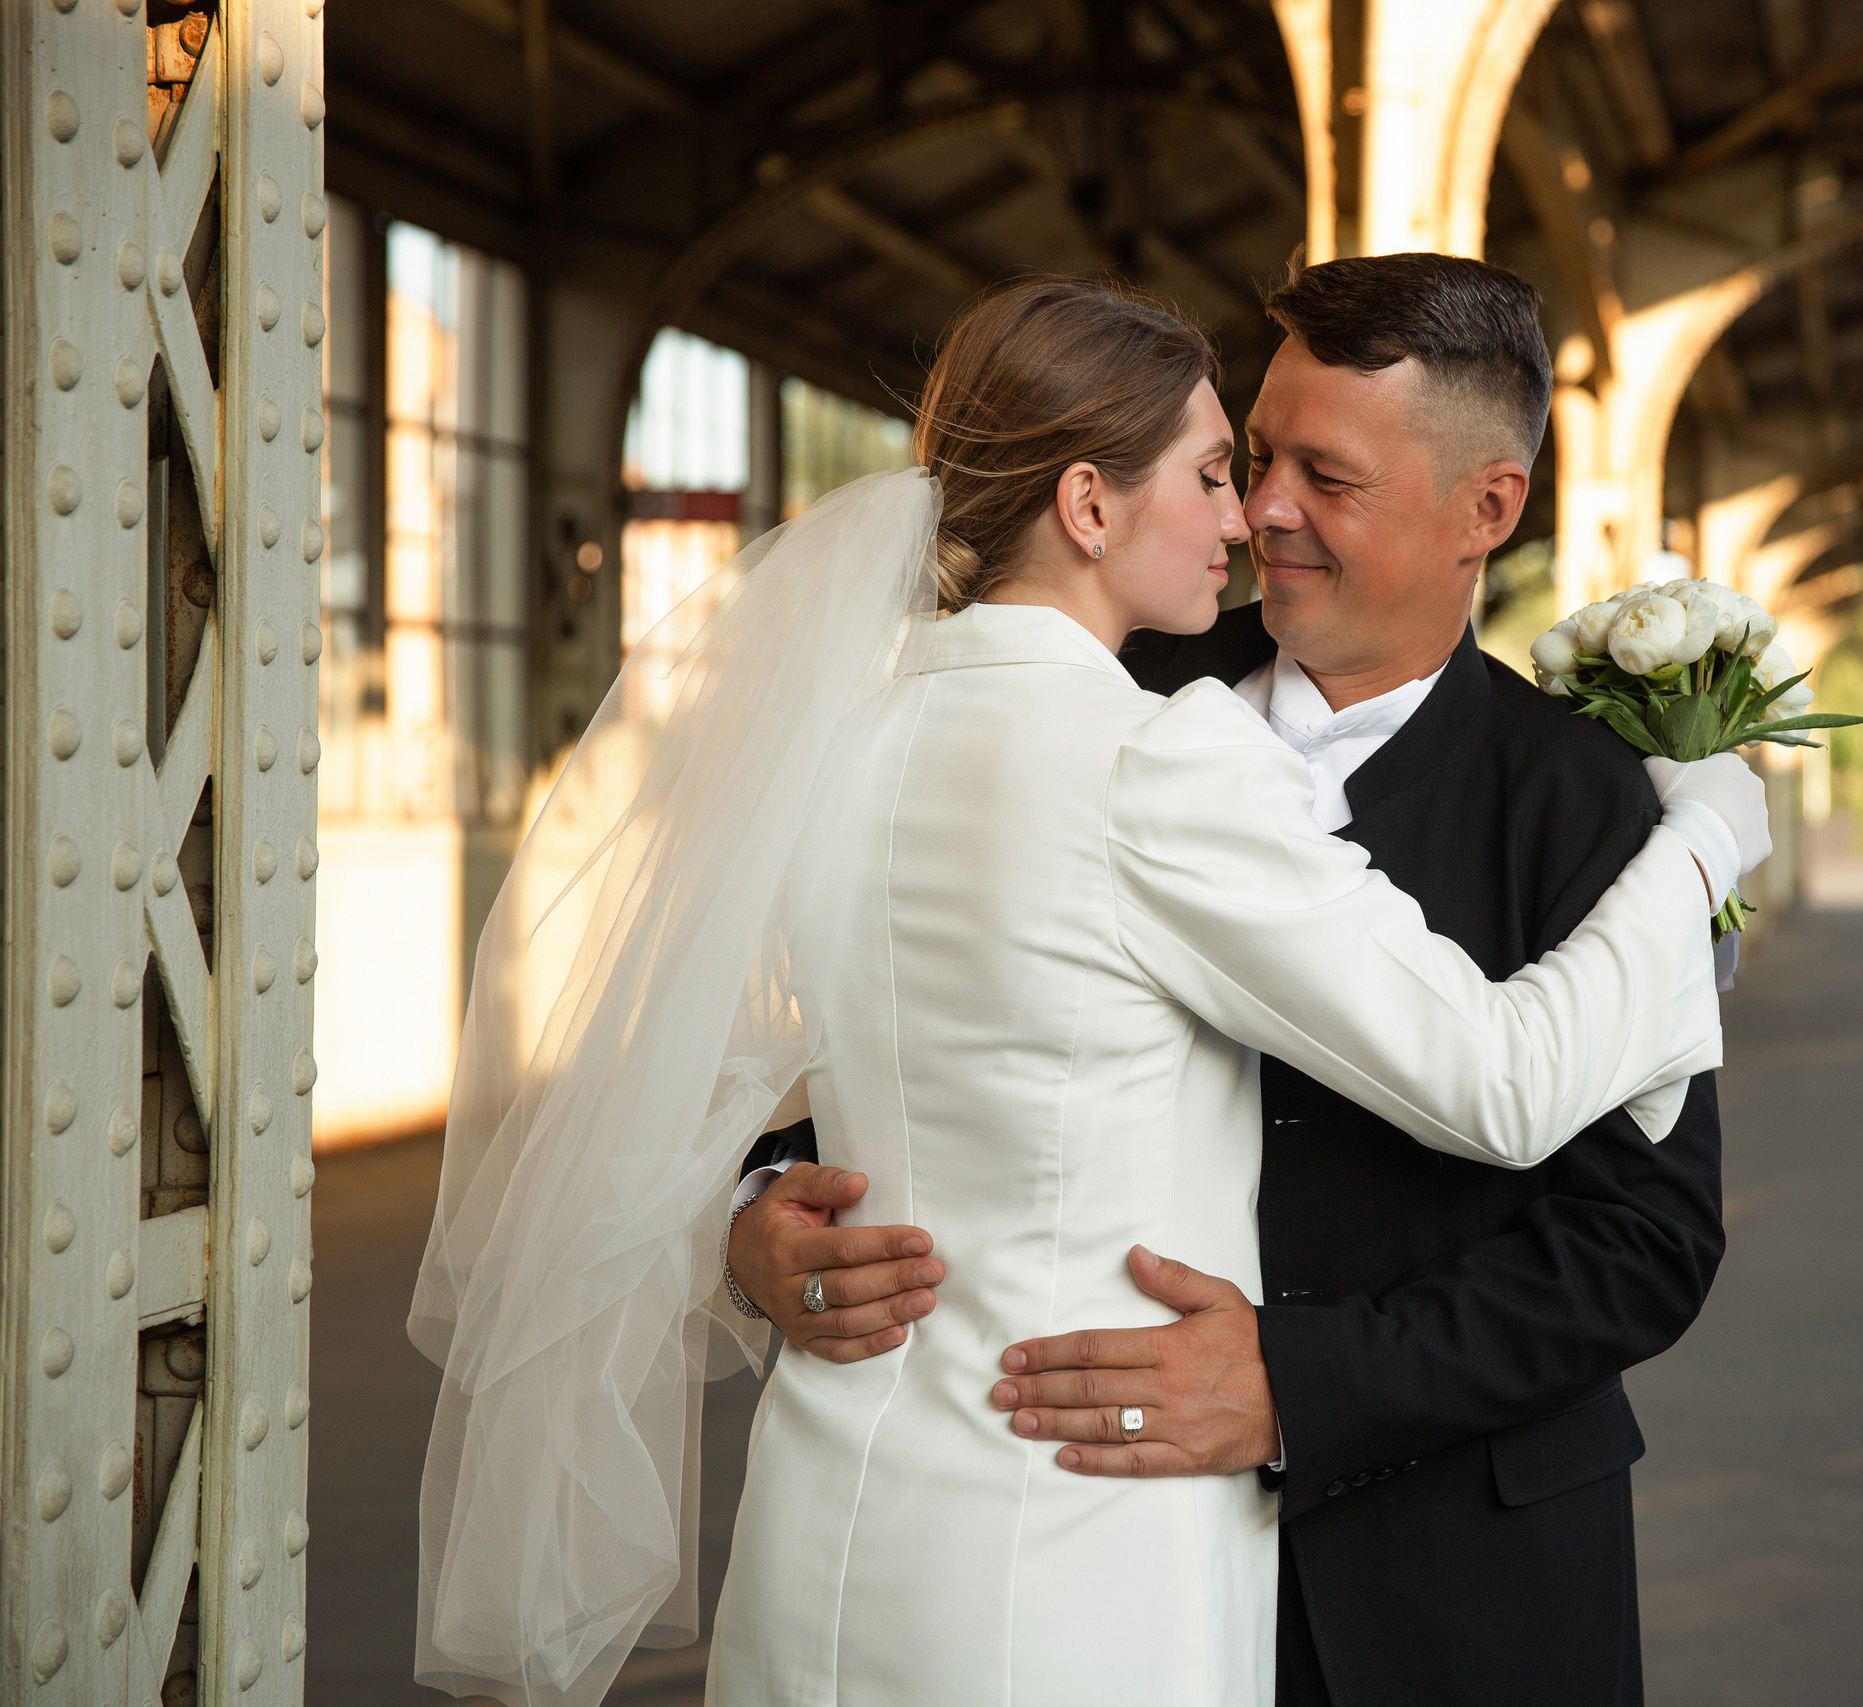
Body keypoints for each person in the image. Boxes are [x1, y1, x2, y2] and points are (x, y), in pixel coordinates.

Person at [409, 274, 1766, 1707]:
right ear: (1089, 506)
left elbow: (1645, 1239)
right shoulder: (1153, 729)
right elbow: (843, 1051)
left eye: (1325, 476)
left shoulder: (1578, 793)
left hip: (1429, 1590)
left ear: (1488, 508)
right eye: (1241, 461)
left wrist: (1306, 1384)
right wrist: (755, 1221)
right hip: (1086, 1560)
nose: (1260, 513)